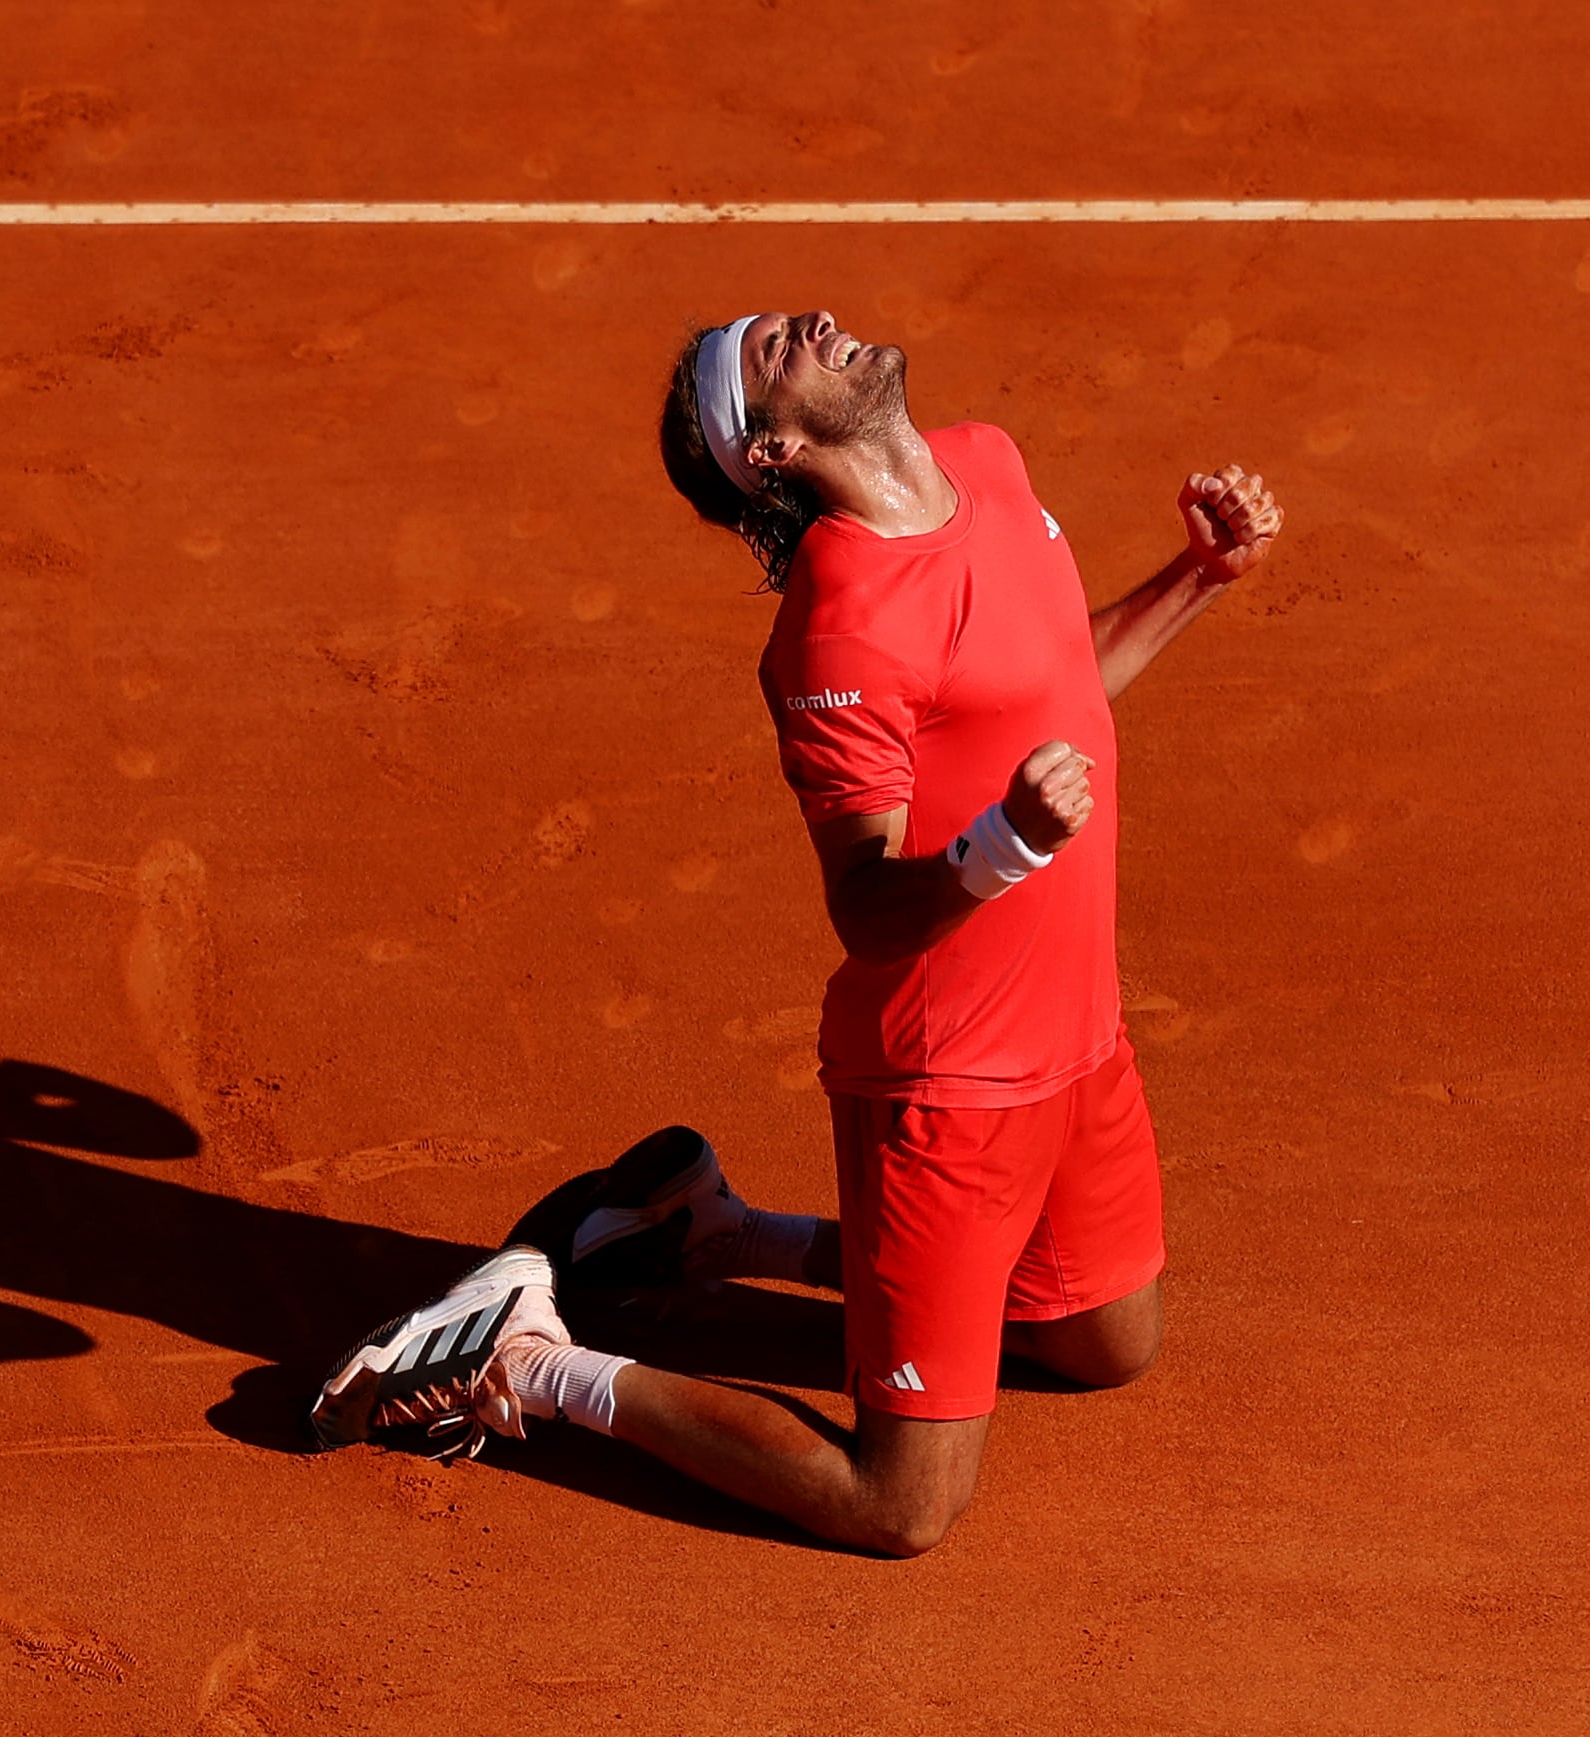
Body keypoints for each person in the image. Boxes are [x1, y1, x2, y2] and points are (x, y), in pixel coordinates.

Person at [307, 307, 1283, 1556]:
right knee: (899, 1504)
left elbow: (1049, 687)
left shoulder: (984, 459)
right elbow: (866, 910)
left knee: (1098, 1341)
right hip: (949, 1082)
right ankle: (533, 1358)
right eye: (775, 353)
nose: (814, 323)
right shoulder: (837, 625)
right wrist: (1009, 846)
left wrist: (1195, 577)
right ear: (764, 452)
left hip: (1077, 1036)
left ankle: (715, 1233)